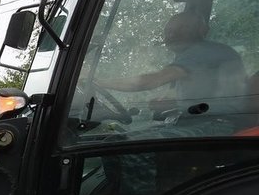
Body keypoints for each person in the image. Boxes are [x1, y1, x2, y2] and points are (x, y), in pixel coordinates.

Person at [97, 11, 248, 121]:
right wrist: (174, 102)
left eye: (181, 29)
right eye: (168, 31)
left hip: (217, 125)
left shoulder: (201, 52)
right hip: (213, 120)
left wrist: (98, 82)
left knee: (125, 151)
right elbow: (208, 90)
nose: (170, 36)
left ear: (201, 31)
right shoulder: (207, 52)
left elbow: (149, 81)